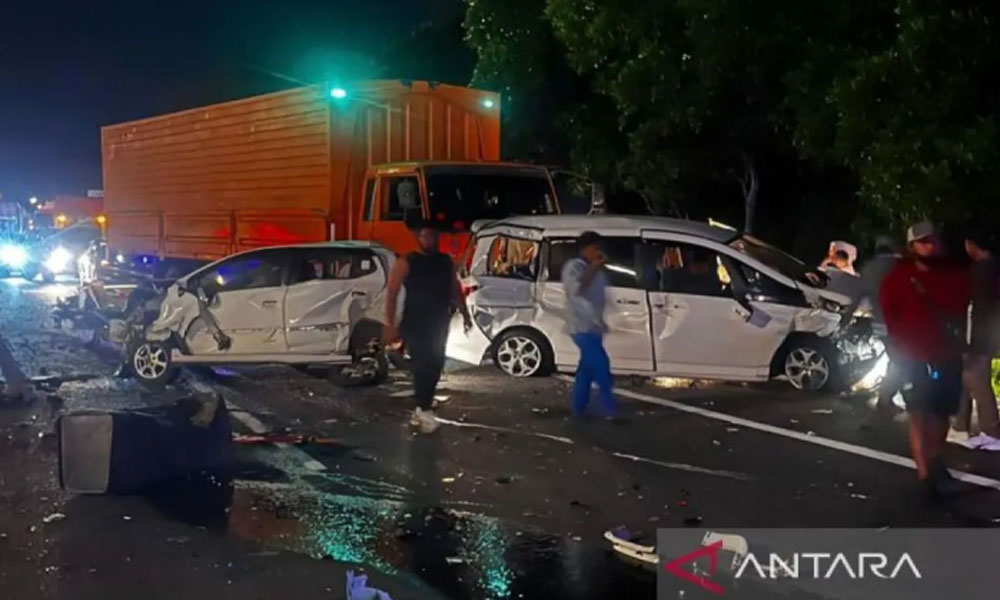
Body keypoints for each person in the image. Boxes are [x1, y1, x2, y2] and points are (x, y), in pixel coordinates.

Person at [880, 221, 969, 498]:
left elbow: (963, 306)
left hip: (948, 356)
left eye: (933, 241)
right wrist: (901, 344)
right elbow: (888, 312)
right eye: (923, 241)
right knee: (919, 414)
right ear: (911, 246)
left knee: (942, 414)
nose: (929, 246)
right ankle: (926, 473)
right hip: (915, 359)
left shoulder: (954, 275)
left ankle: (934, 461)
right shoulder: (899, 277)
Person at [384, 222, 472, 434]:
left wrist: (466, 314)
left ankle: (423, 405)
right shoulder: (408, 262)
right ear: (419, 239)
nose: (428, 240)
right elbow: (392, 293)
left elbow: (454, 289)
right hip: (415, 322)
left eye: (432, 236)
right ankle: (422, 408)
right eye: (424, 236)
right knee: (423, 364)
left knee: (435, 363)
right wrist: (390, 324)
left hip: (438, 322)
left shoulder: (444, 262)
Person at [954, 225, 1000, 450]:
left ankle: (991, 432)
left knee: (977, 381)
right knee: (968, 380)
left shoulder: (981, 270)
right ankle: (960, 426)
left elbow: (972, 307)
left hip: (978, 337)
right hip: (987, 335)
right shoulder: (992, 268)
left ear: (972, 245)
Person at [562, 231, 617, 417]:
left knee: (586, 370)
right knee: (601, 365)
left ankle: (579, 408)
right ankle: (609, 409)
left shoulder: (598, 271)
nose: (598, 251)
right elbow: (577, 289)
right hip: (580, 326)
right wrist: (593, 268)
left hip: (593, 326)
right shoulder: (574, 267)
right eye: (595, 247)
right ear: (585, 248)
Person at [849, 236, 903, 417]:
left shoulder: (868, 268)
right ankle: (886, 399)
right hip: (902, 323)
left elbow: (857, 296)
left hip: (880, 323)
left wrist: (846, 318)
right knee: (902, 361)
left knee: (898, 361)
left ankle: (889, 398)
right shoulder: (900, 266)